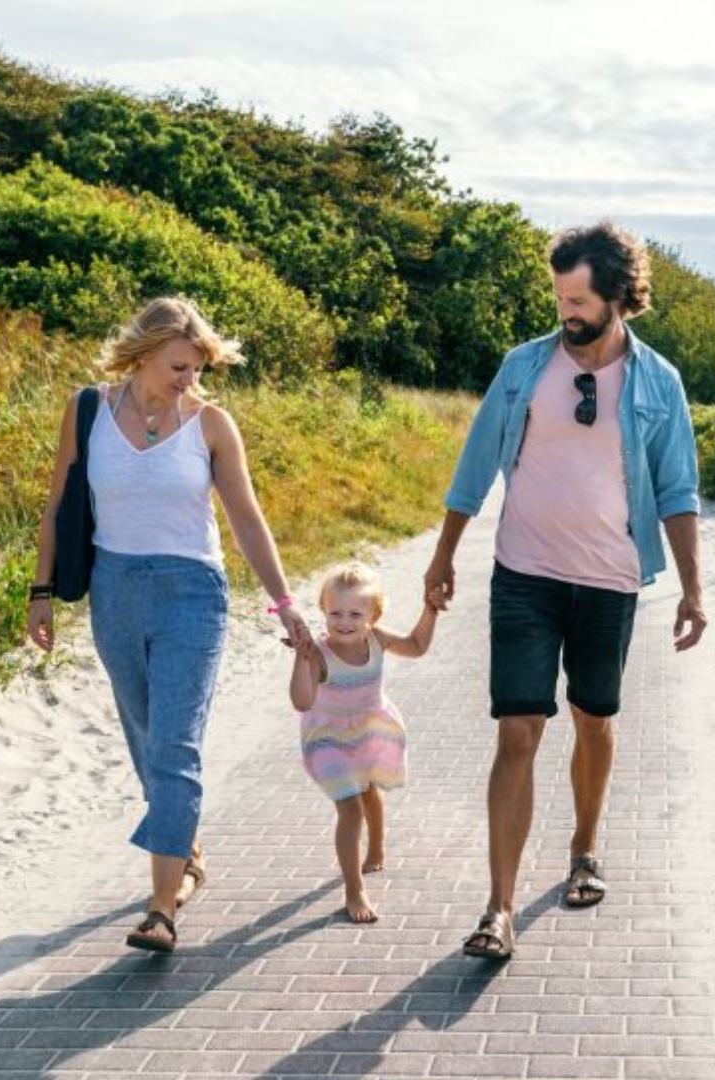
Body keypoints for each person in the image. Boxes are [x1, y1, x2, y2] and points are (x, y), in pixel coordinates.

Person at [423, 222, 708, 960]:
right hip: (525, 573)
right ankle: (499, 909)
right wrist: (443, 556)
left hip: (609, 580)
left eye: (578, 299)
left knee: (592, 718)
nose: (565, 312)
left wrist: (691, 588)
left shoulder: (658, 382)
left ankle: (584, 847)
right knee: (518, 730)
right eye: (558, 297)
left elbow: (677, 488)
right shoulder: (525, 368)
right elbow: (476, 463)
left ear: (619, 297)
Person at [27, 296, 310, 954]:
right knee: (147, 743)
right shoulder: (88, 409)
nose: (192, 379)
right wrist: (40, 592)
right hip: (113, 592)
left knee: (175, 746)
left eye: (200, 368)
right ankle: (185, 849)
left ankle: (162, 907)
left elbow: (245, 517)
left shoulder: (211, 425)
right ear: (146, 353)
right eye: (181, 366)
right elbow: (58, 502)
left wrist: (284, 601)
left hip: (193, 594)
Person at [288, 562, 443, 923]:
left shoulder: (378, 639)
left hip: (369, 729)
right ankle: (354, 890)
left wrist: (430, 609)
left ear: (374, 615)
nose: (344, 621)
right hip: (326, 738)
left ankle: (376, 845)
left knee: (370, 789)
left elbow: (417, 645)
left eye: (355, 613)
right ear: (323, 611)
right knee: (350, 807)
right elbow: (300, 701)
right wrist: (301, 655)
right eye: (335, 612)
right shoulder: (318, 652)